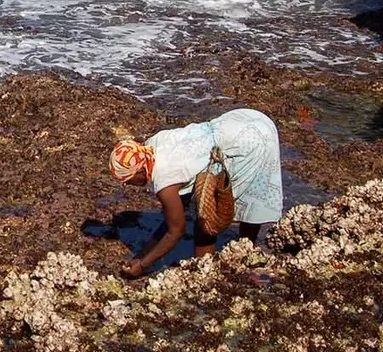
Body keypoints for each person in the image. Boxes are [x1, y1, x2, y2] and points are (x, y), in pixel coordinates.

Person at [110, 107, 282, 278]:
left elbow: (176, 231)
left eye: (128, 180)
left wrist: (143, 265)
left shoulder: (164, 182)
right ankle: (247, 248)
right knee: (244, 195)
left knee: (206, 224)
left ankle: (206, 274)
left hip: (249, 141)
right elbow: (173, 218)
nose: (128, 185)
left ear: (140, 172)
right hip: (244, 120)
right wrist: (141, 256)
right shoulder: (152, 144)